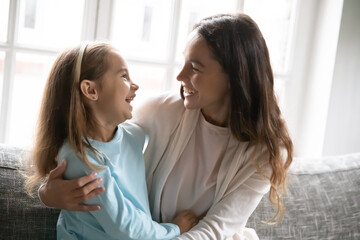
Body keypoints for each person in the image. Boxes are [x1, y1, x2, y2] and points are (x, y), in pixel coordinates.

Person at [37, 13, 293, 239]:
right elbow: (98, 134)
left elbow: (216, 229)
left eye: (194, 67)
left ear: (235, 76)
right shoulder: (165, 111)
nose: (180, 77)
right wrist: (47, 193)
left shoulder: (265, 153)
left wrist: (172, 232)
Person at [24, 41, 198, 240]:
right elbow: (127, 230)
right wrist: (175, 228)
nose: (135, 85)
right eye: (124, 76)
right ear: (90, 90)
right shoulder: (81, 158)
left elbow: (170, 110)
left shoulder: (132, 136)